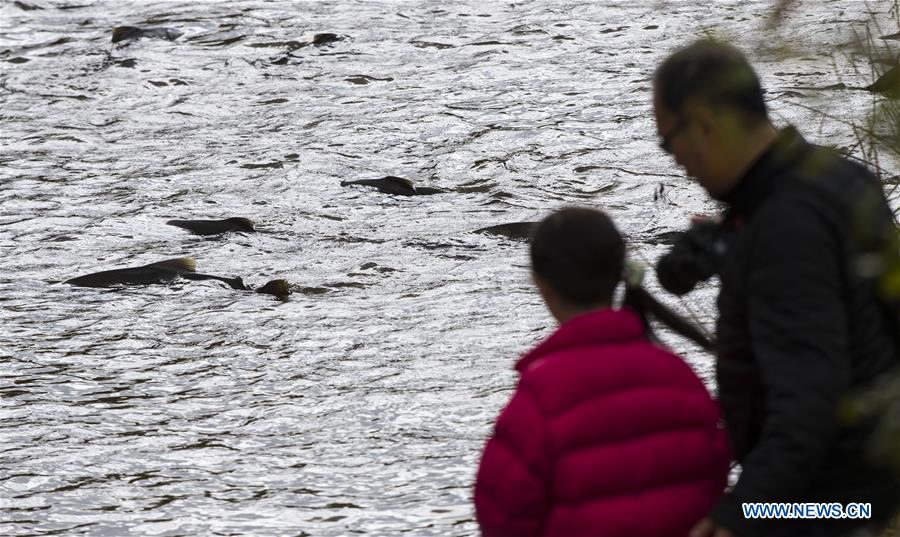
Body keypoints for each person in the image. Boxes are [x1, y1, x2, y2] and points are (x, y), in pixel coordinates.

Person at [652, 39, 900, 537]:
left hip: (836, 508)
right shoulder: (838, 176)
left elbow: (809, 403)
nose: (674, 160)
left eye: (669, 140)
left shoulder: (783, 229)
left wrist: (738, 516)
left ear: (704, 121)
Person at [474, 207, 731, 537]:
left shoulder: (537, 400)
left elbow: (501, 516)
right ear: (619, 273)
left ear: (541, 285)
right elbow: (717, 476)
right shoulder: (681, 376)